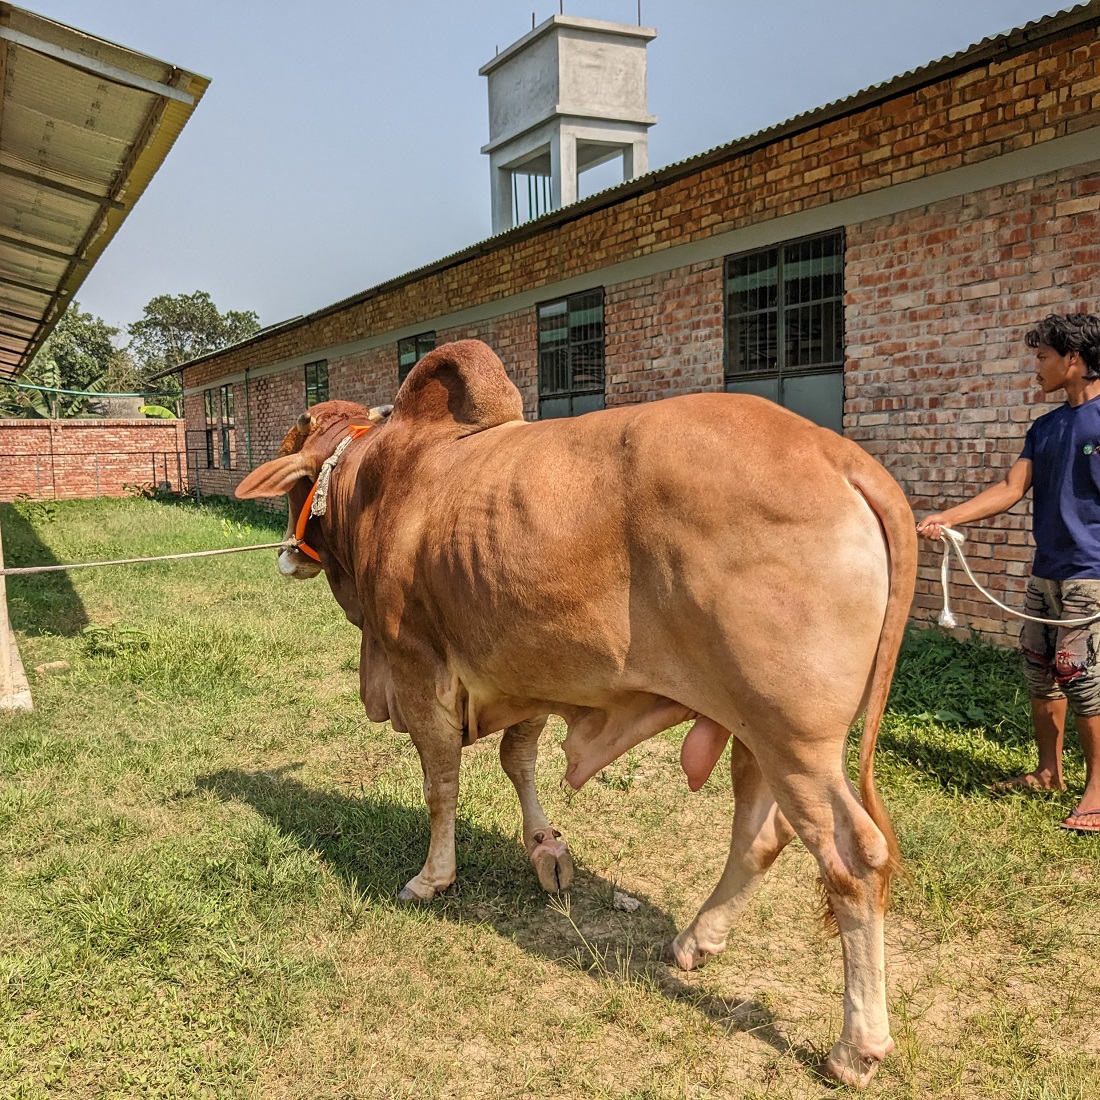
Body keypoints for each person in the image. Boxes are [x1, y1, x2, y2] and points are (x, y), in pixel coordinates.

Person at [917, 313, 1100, 834]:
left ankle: (1097, 792)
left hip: (1093, 575)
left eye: (1043, 357)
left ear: (1074, 359)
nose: (1035, 367)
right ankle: (1048, 773)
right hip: (1047, 572)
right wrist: (945, 517)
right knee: (1041, 672)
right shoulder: (1045, 428)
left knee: (1082, 679)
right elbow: (1010, 489)